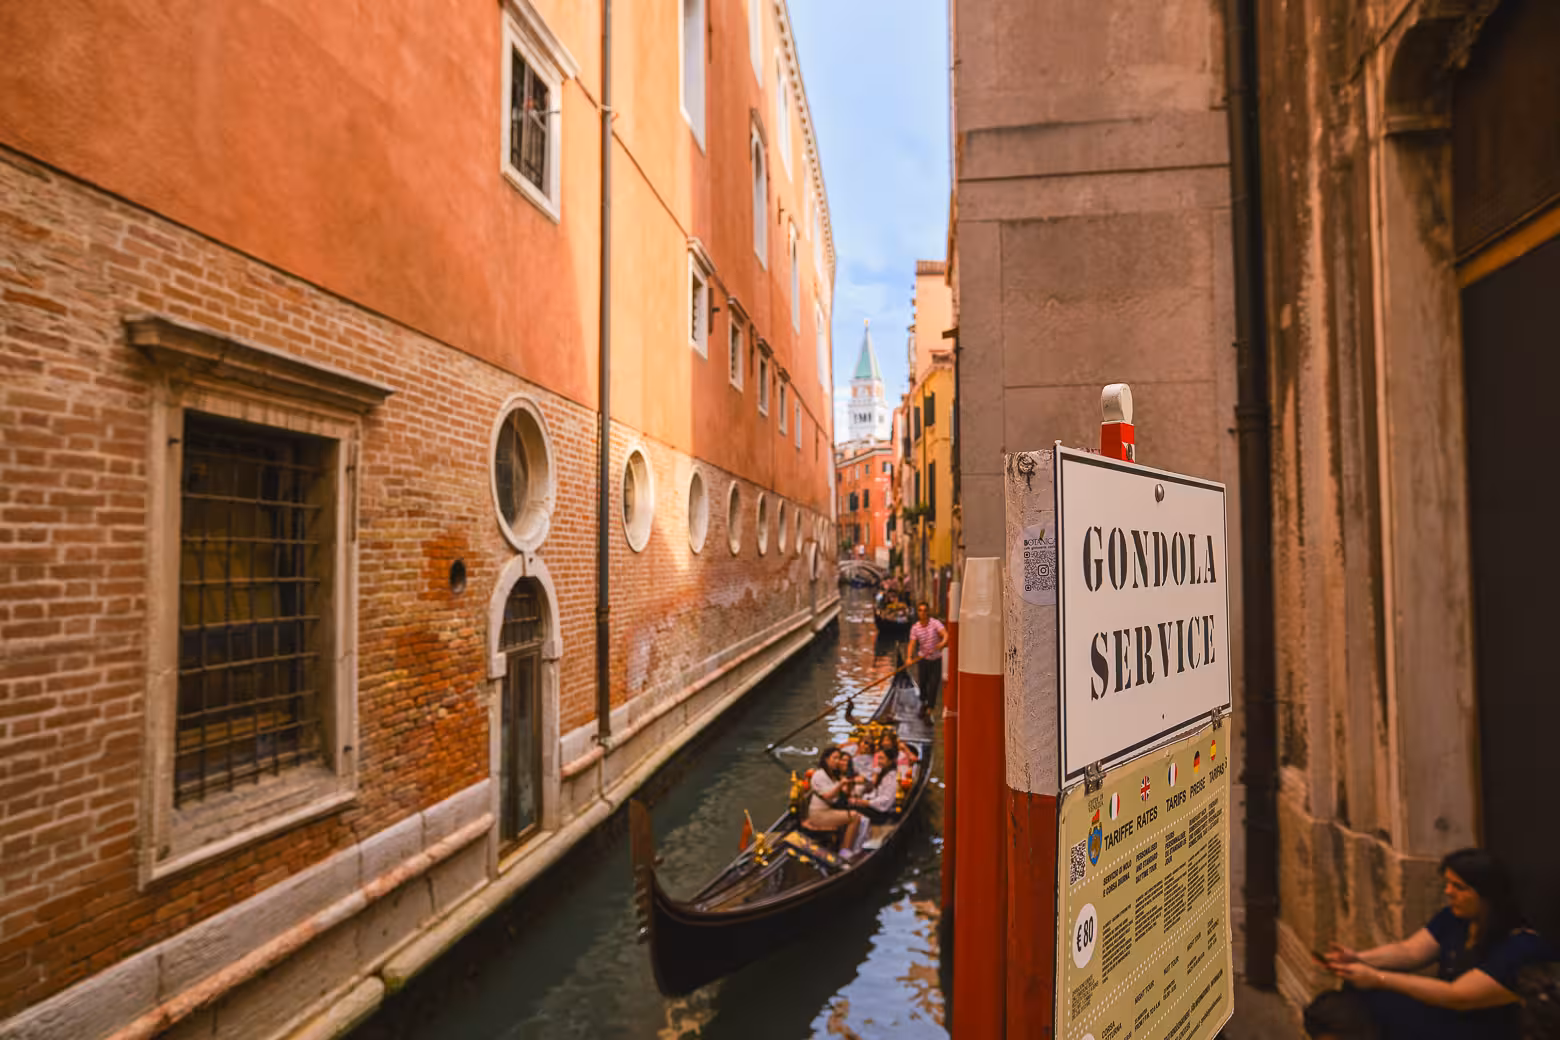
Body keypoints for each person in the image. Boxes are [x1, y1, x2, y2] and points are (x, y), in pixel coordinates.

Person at [1305, 847, 1553, 1040]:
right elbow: (1410, 951)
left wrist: (1377, 977)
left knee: (1377, 1004)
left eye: (1459, 887)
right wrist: (1357, 960)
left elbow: (1459, 996)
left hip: (1475, 1027)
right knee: (1351, 993)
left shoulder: (1522, 947)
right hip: (1445, 1012)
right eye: (1448, 884)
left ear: (1488, 895)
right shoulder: (1456, 920)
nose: (1448, 892)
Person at [806, 745, 865, 858]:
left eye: (839, 758)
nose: (837, 761)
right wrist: (841, 785)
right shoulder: (819, 775)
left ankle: (852, 847)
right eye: (835, 758)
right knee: (855, 817)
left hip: (829, 810)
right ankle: (845, 852)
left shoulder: (833, 775)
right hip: (819, 814)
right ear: (826, 759)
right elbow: (828, 796)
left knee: (859, 815)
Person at [907, 601, 949, 720]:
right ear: (918, 612)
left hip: (936, 660)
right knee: (923, 684)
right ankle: (924, 704)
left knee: (934, 685)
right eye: (920, 610)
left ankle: (929, 709)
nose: (923, 613)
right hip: (923, 660)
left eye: (925, 610)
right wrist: (909, 658)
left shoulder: (935, 623)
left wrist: (942, 643)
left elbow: (945, 634)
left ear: (928, 612)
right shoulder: (915, 628)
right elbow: (912, 644)